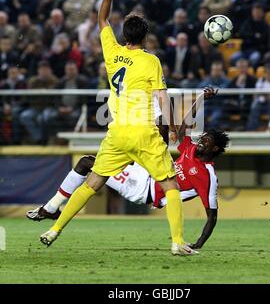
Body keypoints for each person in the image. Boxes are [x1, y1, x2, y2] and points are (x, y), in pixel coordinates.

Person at [39, 0, 196, 256]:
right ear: (146, 36)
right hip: (144, 133)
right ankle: (177, 242)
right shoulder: (152, 62)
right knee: (170, 184)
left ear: (124, 35)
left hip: (117, 133)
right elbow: (162, 99)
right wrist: (173, 127)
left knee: (93, 183)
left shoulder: (112, 52)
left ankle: (54, 229)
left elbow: (101, 19)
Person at [28, 88, 229, 250]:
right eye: (203, 137)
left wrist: (200, 243)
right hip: (146, 171)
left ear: (215, 149)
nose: (201, 140)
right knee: (87, 161)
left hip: (142, 188)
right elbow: (184, 126)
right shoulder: (191, 150)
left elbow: (212, 215)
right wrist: (201, 97)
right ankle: (52, 209)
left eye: (207, 140)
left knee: (87, 163)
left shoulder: (207, 175)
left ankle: (52, 209)